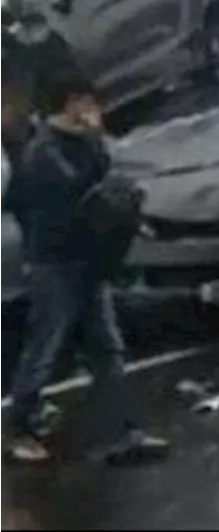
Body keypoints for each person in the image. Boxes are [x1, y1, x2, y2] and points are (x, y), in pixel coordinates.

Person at [5, 67, 168, 465]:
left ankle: (126, 432)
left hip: (88, 263)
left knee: (107, 348)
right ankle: (16, 427)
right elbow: (79, 196)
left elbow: (108, 178)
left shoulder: (87, 144)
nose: (94, 112)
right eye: (87, 104)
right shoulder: (45, 153)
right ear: (71, 105)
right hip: (56, 264)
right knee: (45, 348)